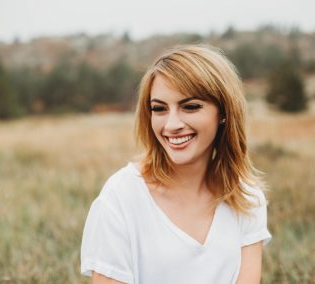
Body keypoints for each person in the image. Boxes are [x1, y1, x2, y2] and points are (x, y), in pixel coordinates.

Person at [80, 44, 271, 284]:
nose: (171, 124)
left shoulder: (247, 197)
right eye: (159, 109)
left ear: (223, 112)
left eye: (190, 107)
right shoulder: (121, 197)